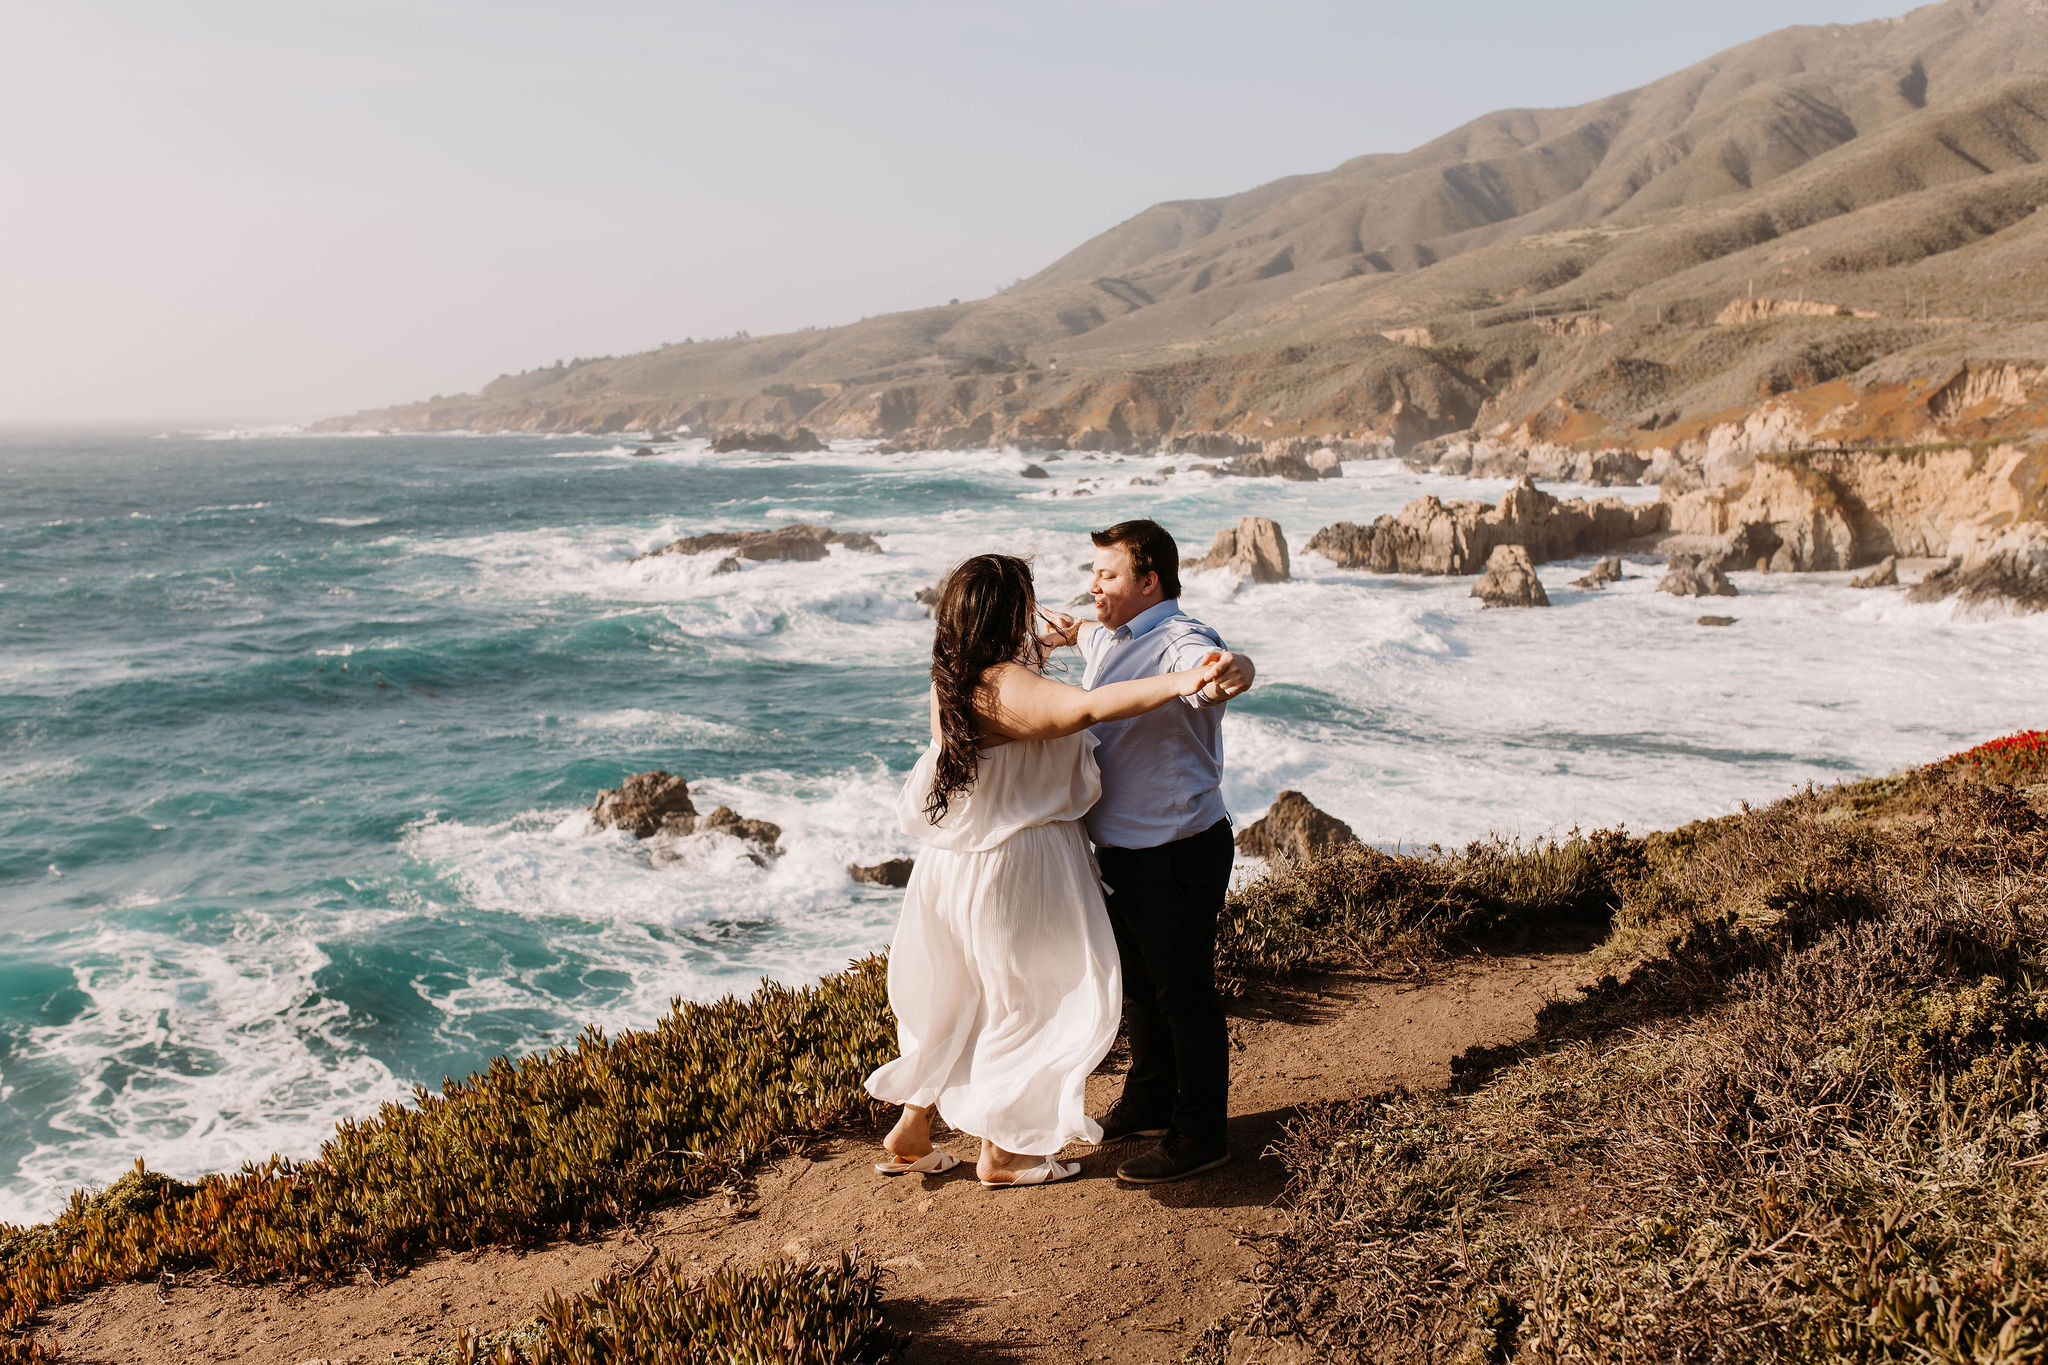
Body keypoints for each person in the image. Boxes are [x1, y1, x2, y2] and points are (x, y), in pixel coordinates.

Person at [865, 553, 1230, 1188]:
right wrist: (1181, 682)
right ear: (1007, 609)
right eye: (1024, 599)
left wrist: (1077, 633)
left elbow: (1042, 680)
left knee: (958, 1000)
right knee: (1030, 1003)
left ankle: (913, 1129)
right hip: (1016, 867)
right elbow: (1085, 710)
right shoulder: (1004, 686)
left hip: (953, 868)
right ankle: (1007, 1152)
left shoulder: (954, 671)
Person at [1037, 519, 1255, 1184]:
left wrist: (1231, 673)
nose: (1092, 586)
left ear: (1149, 580)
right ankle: (1152, 1095)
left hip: (1176, 849)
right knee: (1142, 989)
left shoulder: (1183, 643)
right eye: (1092, 573)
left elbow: (1219, 672)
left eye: (1106, 575)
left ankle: (1200, 1135)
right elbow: (1086, 632)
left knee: (1183, 991)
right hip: (1126, 852)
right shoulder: (1113, 632)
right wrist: (1062, 630)